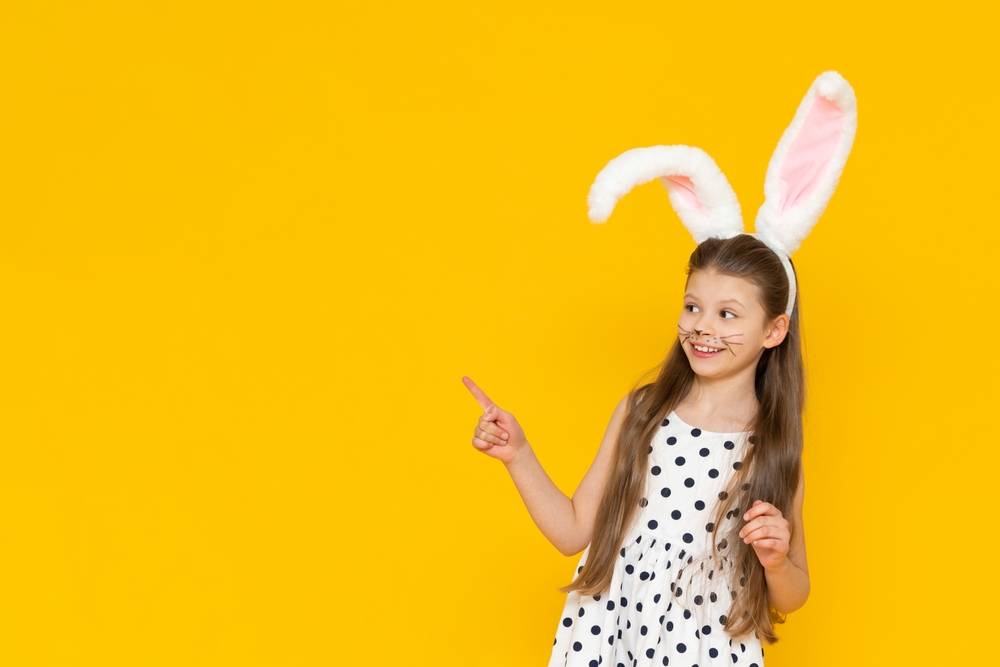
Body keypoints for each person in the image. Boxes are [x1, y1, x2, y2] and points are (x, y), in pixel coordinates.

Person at [462, 70, 857, 666]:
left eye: (728, 314)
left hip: (709, 648)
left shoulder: (774, 441)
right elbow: (572, 531)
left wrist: (777, 559)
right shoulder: (645, 410)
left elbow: (794, 594)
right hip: (609, 636)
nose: (703, 326)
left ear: (774, 330)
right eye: (693, 306)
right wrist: (517, 454)